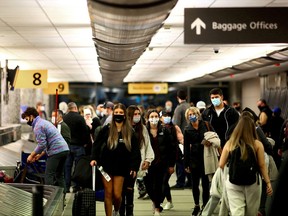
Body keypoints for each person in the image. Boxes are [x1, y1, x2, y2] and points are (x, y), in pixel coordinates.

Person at [90, 103, 141, 216]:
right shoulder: (106, 129)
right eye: (116, 113)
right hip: (106, 166)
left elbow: (135, 151)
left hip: (122, 167)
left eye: (121, 113)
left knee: (117, 195)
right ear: (113, 114)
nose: (118, 115)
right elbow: (96, 145)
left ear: (124, 115)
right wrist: (94, 158)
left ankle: (116, 210)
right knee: (108, 194)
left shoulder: (130, 131)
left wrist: (134, 167)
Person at [219, 115, 273, 216]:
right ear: (253, 128)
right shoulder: (257, 144)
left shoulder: (230, 143)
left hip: (233, 182)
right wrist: (268, 182)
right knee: (251, 212)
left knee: (236, 211)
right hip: (253, 183)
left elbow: (221, 164)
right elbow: (262, 165)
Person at [21, 107, 69, 193]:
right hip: (64, 149)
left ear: (31, 116)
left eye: (27, 119)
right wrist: (39, 155)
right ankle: (62, 199)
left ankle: (50, 199)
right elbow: (47, 143)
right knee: (59, 175)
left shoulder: (38, 126)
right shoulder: (44, 122)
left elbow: (42, 144)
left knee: (48, 176)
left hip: (56, 151)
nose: (27, 121)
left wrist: (31, 155)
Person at [119, 105, 154, 216]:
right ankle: (120, 212)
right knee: (121, 192)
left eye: (139, 114)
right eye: (135, 114)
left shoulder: (142, 128)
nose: (137, 116)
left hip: (135, 164)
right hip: (122, 164)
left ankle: (130, 213)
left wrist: (148, 160)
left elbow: (147, 145)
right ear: (129, 115)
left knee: (129, 191)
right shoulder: (123, 127)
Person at [145, 109, 176, 216]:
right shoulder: (144, 130)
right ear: (148, 118)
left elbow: (172, 148)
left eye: (156, 116)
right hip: (148, 163)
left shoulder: (165, 130)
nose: (154, 118)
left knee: (159, 185)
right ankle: (155, 201)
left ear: (159, 118)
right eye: (152, 116)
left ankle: (157, 208)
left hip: (162, 163)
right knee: (148, 186)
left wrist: (171, 165)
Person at [183, 107, 211, 216]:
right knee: (195, 184)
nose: (192, 116)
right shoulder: (187, 129)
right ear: (187, 117)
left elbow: (214, 137)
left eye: (193, 114)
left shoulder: (206, 125)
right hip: (193, 160)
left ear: (198, 114)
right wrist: (186, 164)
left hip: (206, 158)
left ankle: (205, 205)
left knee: (205, 184)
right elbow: (186, 148)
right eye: (189, 115)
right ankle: (196, 205)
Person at [63, 102, 90, 193]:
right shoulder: (80, 118)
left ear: (68, 108)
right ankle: (76, 186)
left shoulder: (64, 118)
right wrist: (86, 143)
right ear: (75, 108)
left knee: (67, 167)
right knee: (78, 167)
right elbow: (85, 132)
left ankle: (66, 186)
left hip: (67, 146)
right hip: (78, 146)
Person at [160, 109, 183, 210]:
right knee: (160, 182)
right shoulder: (158, 128)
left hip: (171, 159)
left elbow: (181, 140)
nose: (167, 117)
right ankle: (161, 201)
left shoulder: (174, 128)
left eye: (168, 115)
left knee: (164, 181)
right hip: (159, 160)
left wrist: (171, 165)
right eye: (164, 115)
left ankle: (166, 202)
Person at [171, 89, 191, 189]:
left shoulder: (179, 108)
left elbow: (176, 124)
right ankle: (190, 181)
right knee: (189, 160)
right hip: (191, 136)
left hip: (182, 138)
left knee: (180, 160)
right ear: (186, 97)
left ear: (178, 98)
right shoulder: (190, 107)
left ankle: (180, 182)